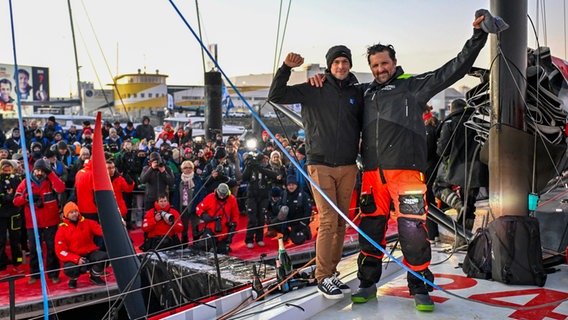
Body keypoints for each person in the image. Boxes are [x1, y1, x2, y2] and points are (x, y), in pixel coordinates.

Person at [345, 13, 489, 311]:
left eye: (384, 63)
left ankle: (420, 287)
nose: (380, 69)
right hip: (373, 176)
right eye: (375, 65)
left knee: (413, 233)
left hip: (406, 176)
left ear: (394, 63)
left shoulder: (412, 85)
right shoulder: (365, 92)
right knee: (370, 232)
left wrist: (477, 36)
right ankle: (367, 284)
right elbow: (335, 98)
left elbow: (454, 69)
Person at [268, 46, 363, 300]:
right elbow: (275, 95)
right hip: (320, 164)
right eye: (337, 62)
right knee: (329, 219)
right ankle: (322, 276)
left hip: (347, 164)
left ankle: (331, 273)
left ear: (349, 65)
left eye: (345, 62)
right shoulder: (314, 87)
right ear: (329, 66)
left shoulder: (357, 92)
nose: (341, 66)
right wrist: (286, 68)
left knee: (342, 222)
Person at [434, 99, 488, 238]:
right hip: (477, 169)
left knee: (438, 187)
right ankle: (465, 239)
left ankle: (457, 204)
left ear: (452, 109)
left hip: (456, 167)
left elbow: (442, 150)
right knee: (469, 206)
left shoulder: (450, 123)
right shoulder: (478, 121)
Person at [13, 159, 65, 284]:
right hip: (33, 222)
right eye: (37, 170)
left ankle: (53, 274)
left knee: (52, 248)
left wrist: (51, 173)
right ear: (33, 169)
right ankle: (34, 274)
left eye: (42, 170)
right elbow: (16, 200)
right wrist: (27, 198)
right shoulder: (26, 182)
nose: (39, 172)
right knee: (35, 249)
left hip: (51, 221)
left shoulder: (50, 180)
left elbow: (61, 188)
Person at [55, 201, 108, 288]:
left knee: (104, 257)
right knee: (69, 268)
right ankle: (73, 279)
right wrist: (76, 259)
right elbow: (60, 251)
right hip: (74, 256)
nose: (74, 214)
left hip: (89, 252)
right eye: (71, 212)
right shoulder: (61, 230)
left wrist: (117, 225)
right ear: (66, 215)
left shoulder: (87, 222)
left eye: (75, 211)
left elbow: (101, 230)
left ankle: (94, 276)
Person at [241, 151, 280, 249]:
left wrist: (260, 167)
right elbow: (244, 177)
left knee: (261, 218)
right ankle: (249, 239)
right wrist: (249, 166)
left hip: (263, 196)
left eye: (264, 159)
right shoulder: (251, 168)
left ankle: (259, 238)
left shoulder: (266, 168)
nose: (263, 161)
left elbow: (274, 175)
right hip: (252, 196)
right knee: (252, 219)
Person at [266, 175, 312, 245]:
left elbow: (308, 210)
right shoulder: (284, 194)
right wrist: (281, 209)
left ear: (296, 185)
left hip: (298, 221)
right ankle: (286, 233)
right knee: (272, 223)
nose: (291, 187)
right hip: (286, 219)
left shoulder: (303, 195)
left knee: (298, 240)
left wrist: (303, 223)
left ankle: (305, 231)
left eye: (293, 185)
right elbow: (276, 207)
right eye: (289, 185)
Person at [195, 183, 239, 254]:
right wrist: (203, 215)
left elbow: (236, 214)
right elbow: (198, 208)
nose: (222, 197)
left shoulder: (232, 199)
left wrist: (234, 225)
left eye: (223, 195)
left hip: (224, 229)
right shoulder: (210, 197)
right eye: (220, 195)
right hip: (211, 227)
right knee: (203, 247)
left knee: (222, 253)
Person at [0, 160, 24, 276]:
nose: (7, 171)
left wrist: (9, 197)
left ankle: (17, 263)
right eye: (4, 169)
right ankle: (1, 267)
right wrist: (7, 197)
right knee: (1, 241)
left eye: (9, 169)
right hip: (1, 215)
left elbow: (19, 193)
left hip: (15, 214)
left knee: (16, 240)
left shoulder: (16, 179)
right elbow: (4, 197)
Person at [423, 105, 441, 241]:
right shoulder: (437, 124)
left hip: (429, 168)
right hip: (437, 167)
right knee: (433, 199)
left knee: (428, 201)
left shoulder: (427, 128)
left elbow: (427, 151)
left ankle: (432, 233)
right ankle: (434, 232)